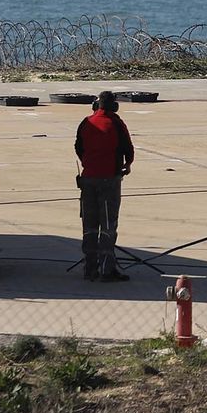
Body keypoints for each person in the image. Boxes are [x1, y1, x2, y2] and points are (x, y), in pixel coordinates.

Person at [74, 90, 134, 282]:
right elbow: (128, 149)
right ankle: (107, 270)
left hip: (88, 179)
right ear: (114, 106)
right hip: (109, 180)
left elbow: (78, 147)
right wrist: (126, 164)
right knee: (108, 226)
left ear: (96, 105)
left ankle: (90, 269)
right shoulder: (116, 122)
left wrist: (88, 163)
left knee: (89, 226)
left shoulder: (86, 122)